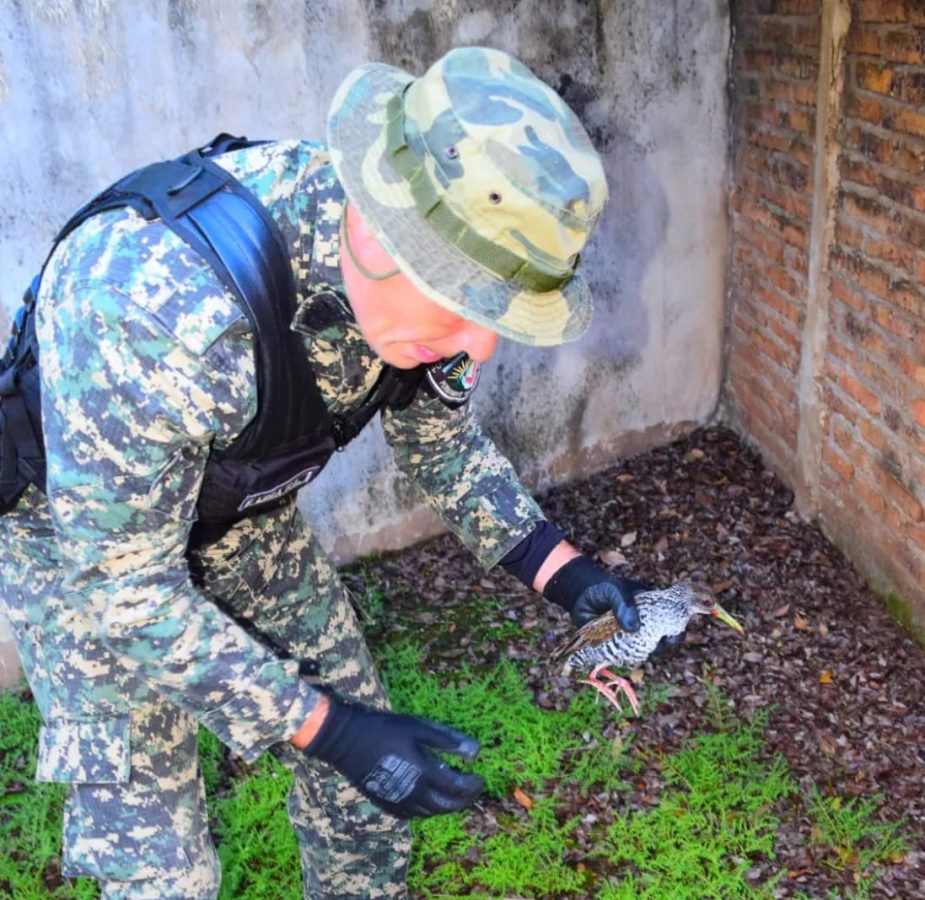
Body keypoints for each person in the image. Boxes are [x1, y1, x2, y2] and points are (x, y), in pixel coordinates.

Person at [0, 46, 677, 899]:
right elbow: (127, 589)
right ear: (376, 227)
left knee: (365, 791)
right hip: (86, 558)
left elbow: (444, 447)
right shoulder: (152, 307)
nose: (481, 347)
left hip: (240, 520)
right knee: (161, 871)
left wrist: (561, 570)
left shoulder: (425, 311)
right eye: (468, 305)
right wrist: (326, 727)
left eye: (499, 313)